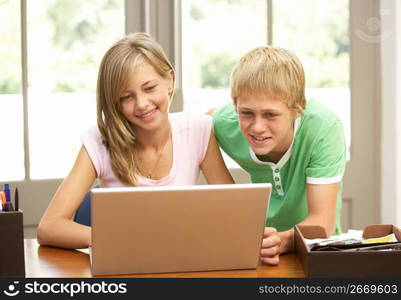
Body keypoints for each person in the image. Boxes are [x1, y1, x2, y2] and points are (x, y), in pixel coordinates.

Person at [37, 32, 234, 249]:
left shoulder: (199, 129)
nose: (142, 104)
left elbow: (235, 213)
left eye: (149, 88)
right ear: (114, 102)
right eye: (126, 97)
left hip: (179, 259)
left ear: (169, 80)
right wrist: (116, 239)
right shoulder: (100, 141)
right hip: (122, 266)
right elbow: (49, 227)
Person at [212, 46, 346, 265]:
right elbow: (191, 129)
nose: (257, 127)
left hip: (314, 252)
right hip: (257, 253)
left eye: (271, 115)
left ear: (298, 107)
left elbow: (323, 221)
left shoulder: (324, 129)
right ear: (235, 105)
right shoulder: (223, 123)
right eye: (246, 113)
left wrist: (280, 241)